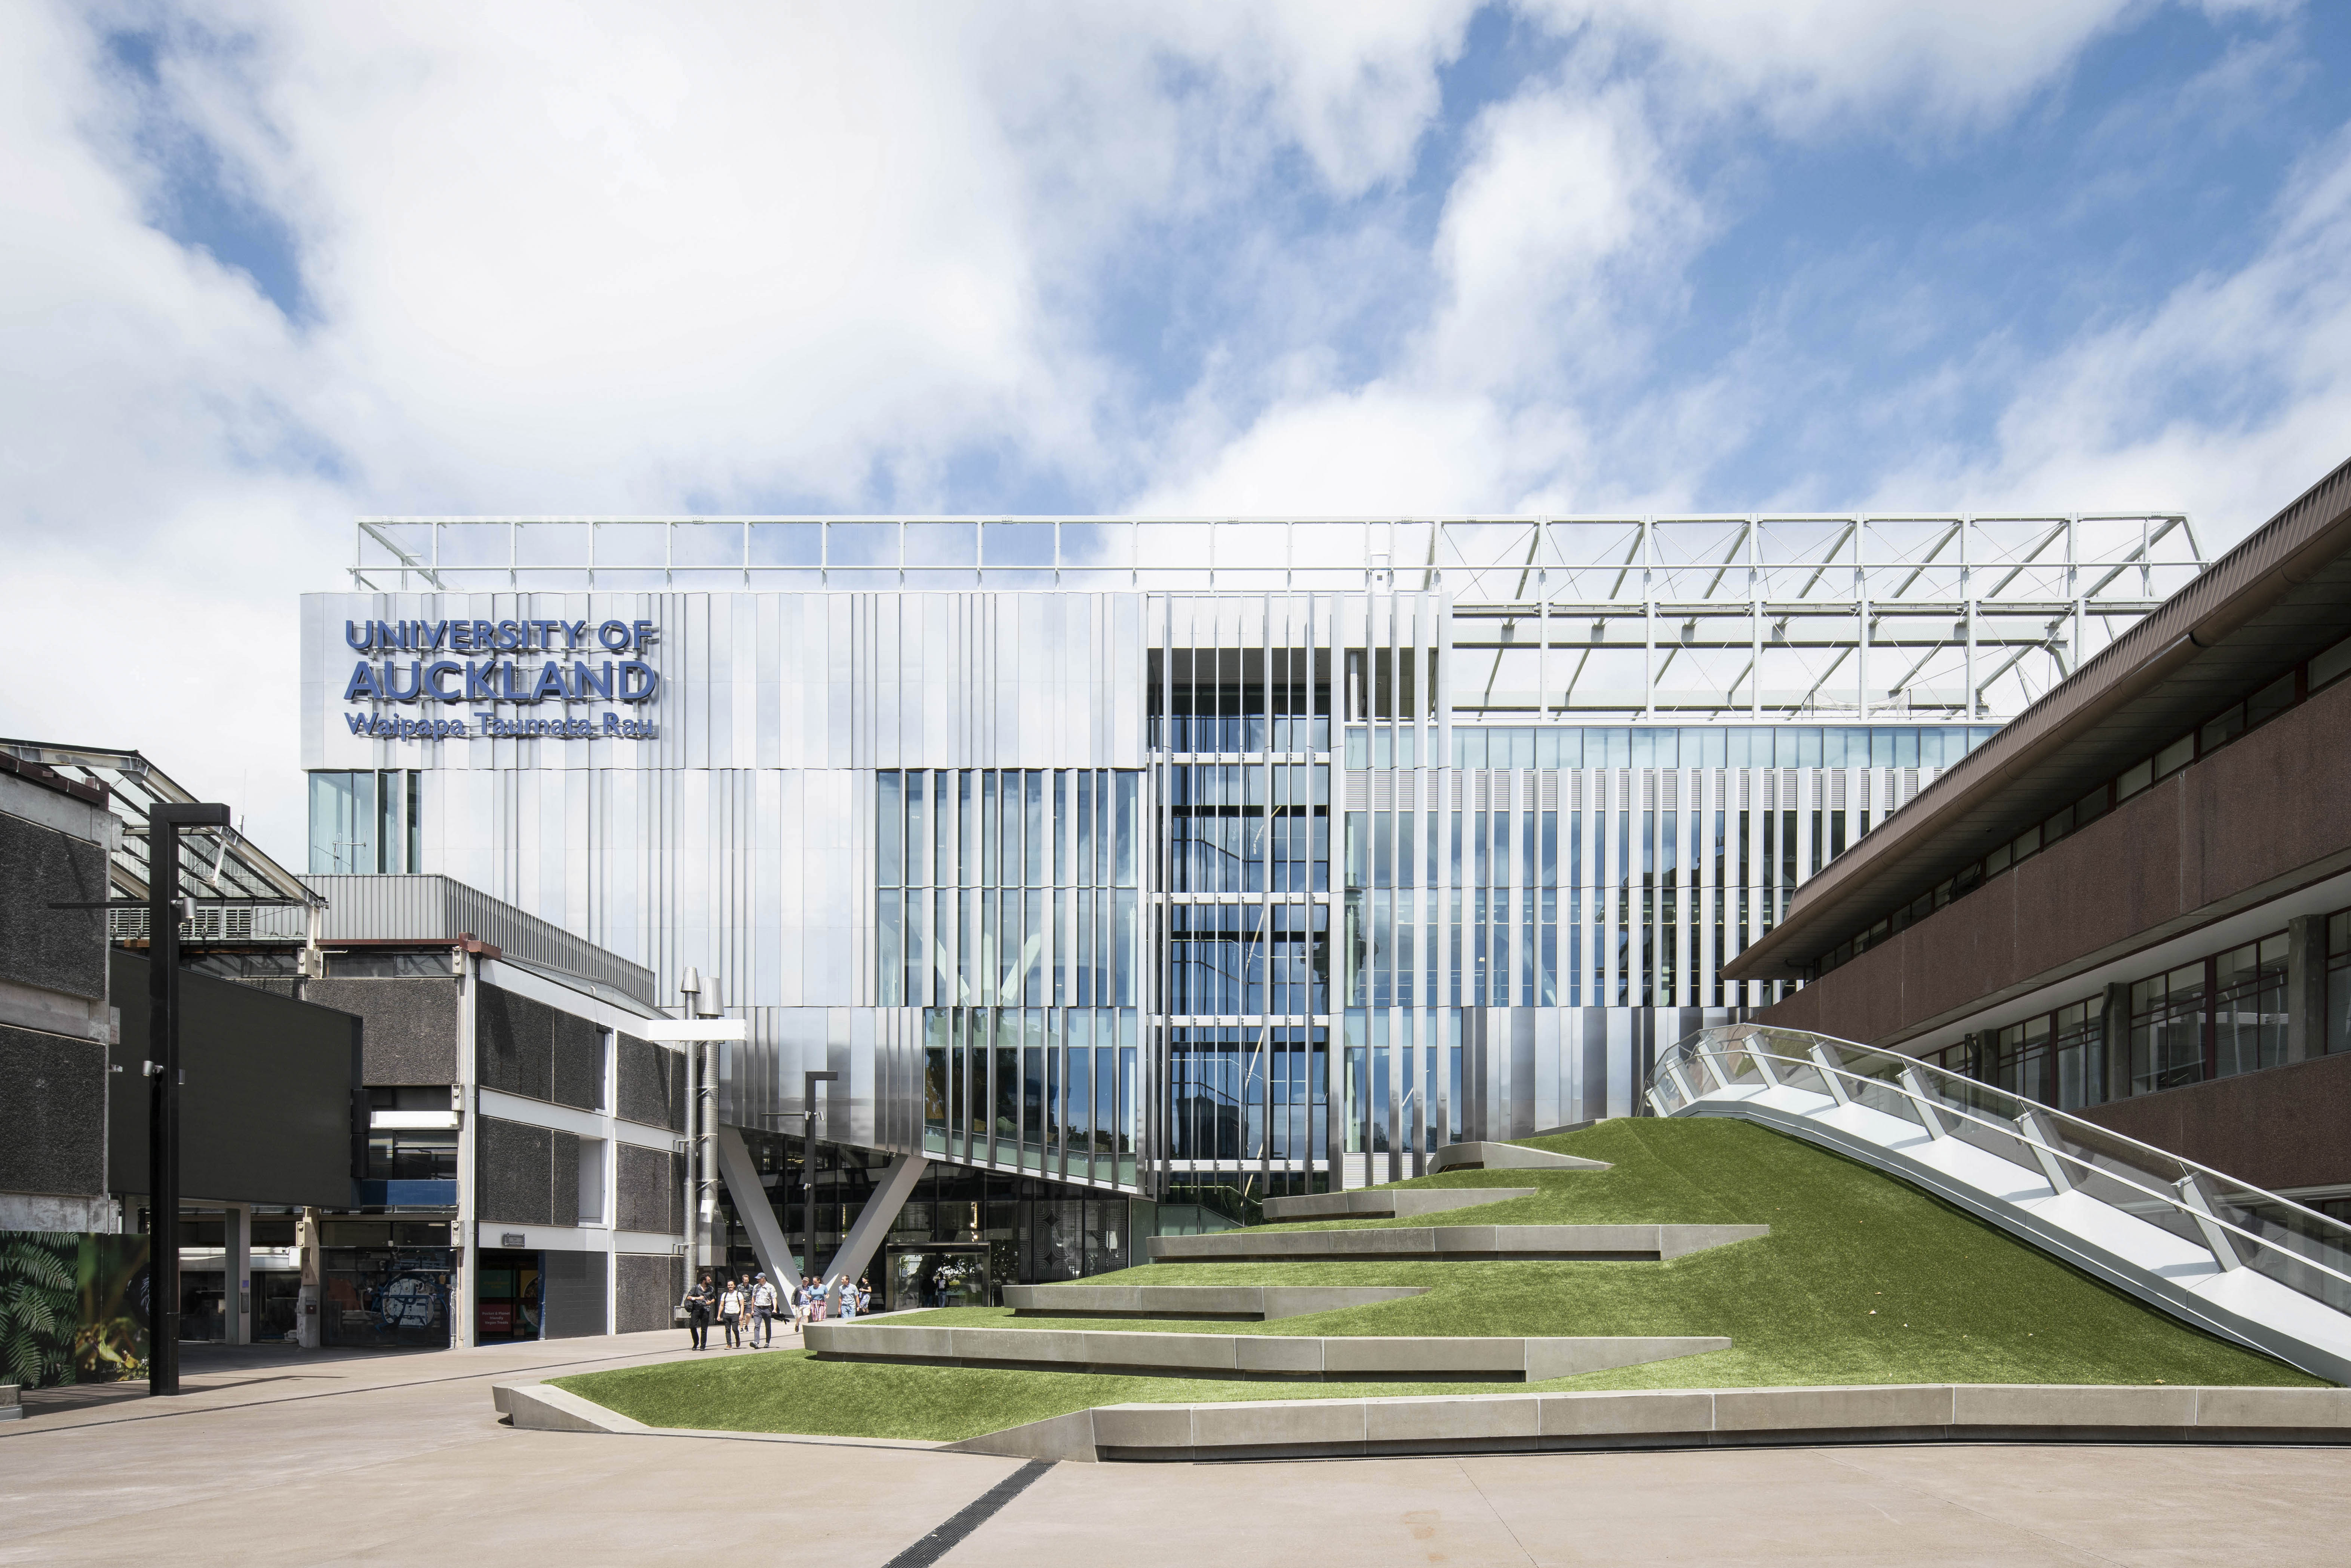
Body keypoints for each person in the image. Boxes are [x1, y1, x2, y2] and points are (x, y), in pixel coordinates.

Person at [683, 1272, 714, 1351]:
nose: (710, 1281)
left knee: (704, 1329)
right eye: (709, 1280)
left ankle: (703, 1345)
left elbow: (714, 1298)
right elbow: (689, 1297)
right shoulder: (696, 1288)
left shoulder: (711, 1289)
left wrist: (711, 1302)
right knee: (693, 1326)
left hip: (706, 1310)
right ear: (704, 1281)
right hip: (696, 1310)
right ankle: (696, 1342)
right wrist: (697, 1298)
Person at [750, 1273, 777, 1347]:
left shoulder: (770, 1287)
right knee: (757, 1325)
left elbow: (774, 1298)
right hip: (757, 1308)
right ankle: (756, 1342)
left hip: (767, 1308)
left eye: (759, 1279)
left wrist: (775, 1309)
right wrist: (752, 1309)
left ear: (764, 1279)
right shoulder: (756, 1287)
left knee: (768, 1326)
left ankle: (767, 1343)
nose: (758, 1280)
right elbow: (753, 1298)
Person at [718, 1278, 745, 1348]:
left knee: (735, 1329)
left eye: (732, 1285)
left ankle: (738, 1339)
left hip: (735, 1314)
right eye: (729, 1285)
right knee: (727, 1330)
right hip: (727, 1314)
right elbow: (721, 1305)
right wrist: (719, 1315)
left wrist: (742, 1314)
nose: (730, 1287)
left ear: (734, 1286)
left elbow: (742, 1305)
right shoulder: (725, 1295)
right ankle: (729, 1344)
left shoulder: (738, 1294)